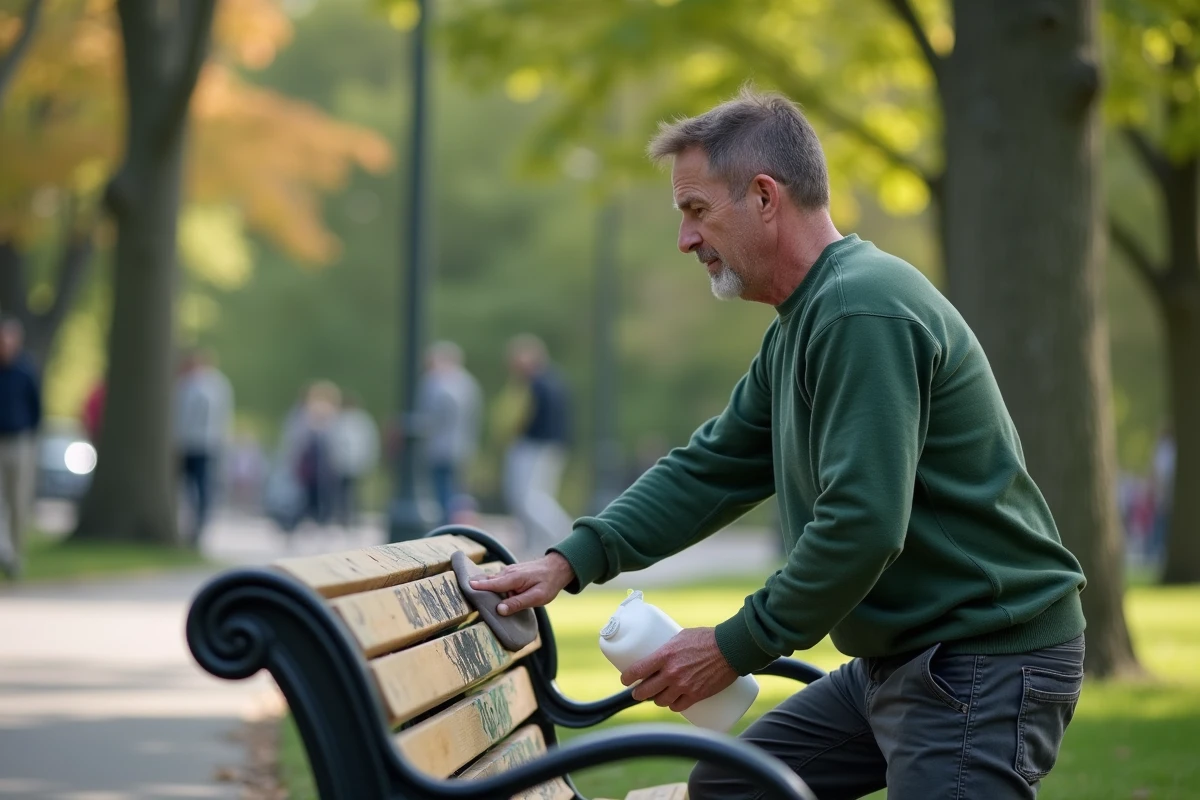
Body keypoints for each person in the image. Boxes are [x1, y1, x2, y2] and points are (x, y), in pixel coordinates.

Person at [470, 89, 1088, 800]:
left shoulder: (862, 311)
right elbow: (711, 469)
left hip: (980, 660)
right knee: (732, 790)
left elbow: (862, 527)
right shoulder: (806, 321)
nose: (686, 240)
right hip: (907, 660)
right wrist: (568, 560)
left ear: (764, 197)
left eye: (696, 211)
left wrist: (732, 647)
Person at [502, 334, 572, 559]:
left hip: (536, 447)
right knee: (537, 497)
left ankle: (568, 535)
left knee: (530, 499)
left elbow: (523, 417)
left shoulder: (538, 385)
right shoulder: (555, 380)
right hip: (552, 446)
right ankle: (541, 544)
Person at [415, 342, 482, 526]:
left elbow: (431, 416)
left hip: (440, 445)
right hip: (463, 445)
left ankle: (445, 525)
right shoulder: (468, 383)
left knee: (441, 489)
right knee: (457, 488)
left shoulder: (436, 383)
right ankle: (460, 523)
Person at [174, 348, 234, 547]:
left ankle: (199, 526)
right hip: (189, 443)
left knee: (201, 487)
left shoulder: (211, 384)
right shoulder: (186, 384)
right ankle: (188, 524)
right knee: (190, 486)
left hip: (203, 443)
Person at [0, 319, 41, 579]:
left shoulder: (26, 371)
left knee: (18, 501)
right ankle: (3, 549)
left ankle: (16, 556)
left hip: (20, 441)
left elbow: (37, 407)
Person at [329, 393, 380, 528]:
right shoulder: (356, 420)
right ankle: (347, 515)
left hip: (352, 462)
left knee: (349, 491)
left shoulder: (350, 421)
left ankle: (348, 515)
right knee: (347, 491)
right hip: (349, 462)